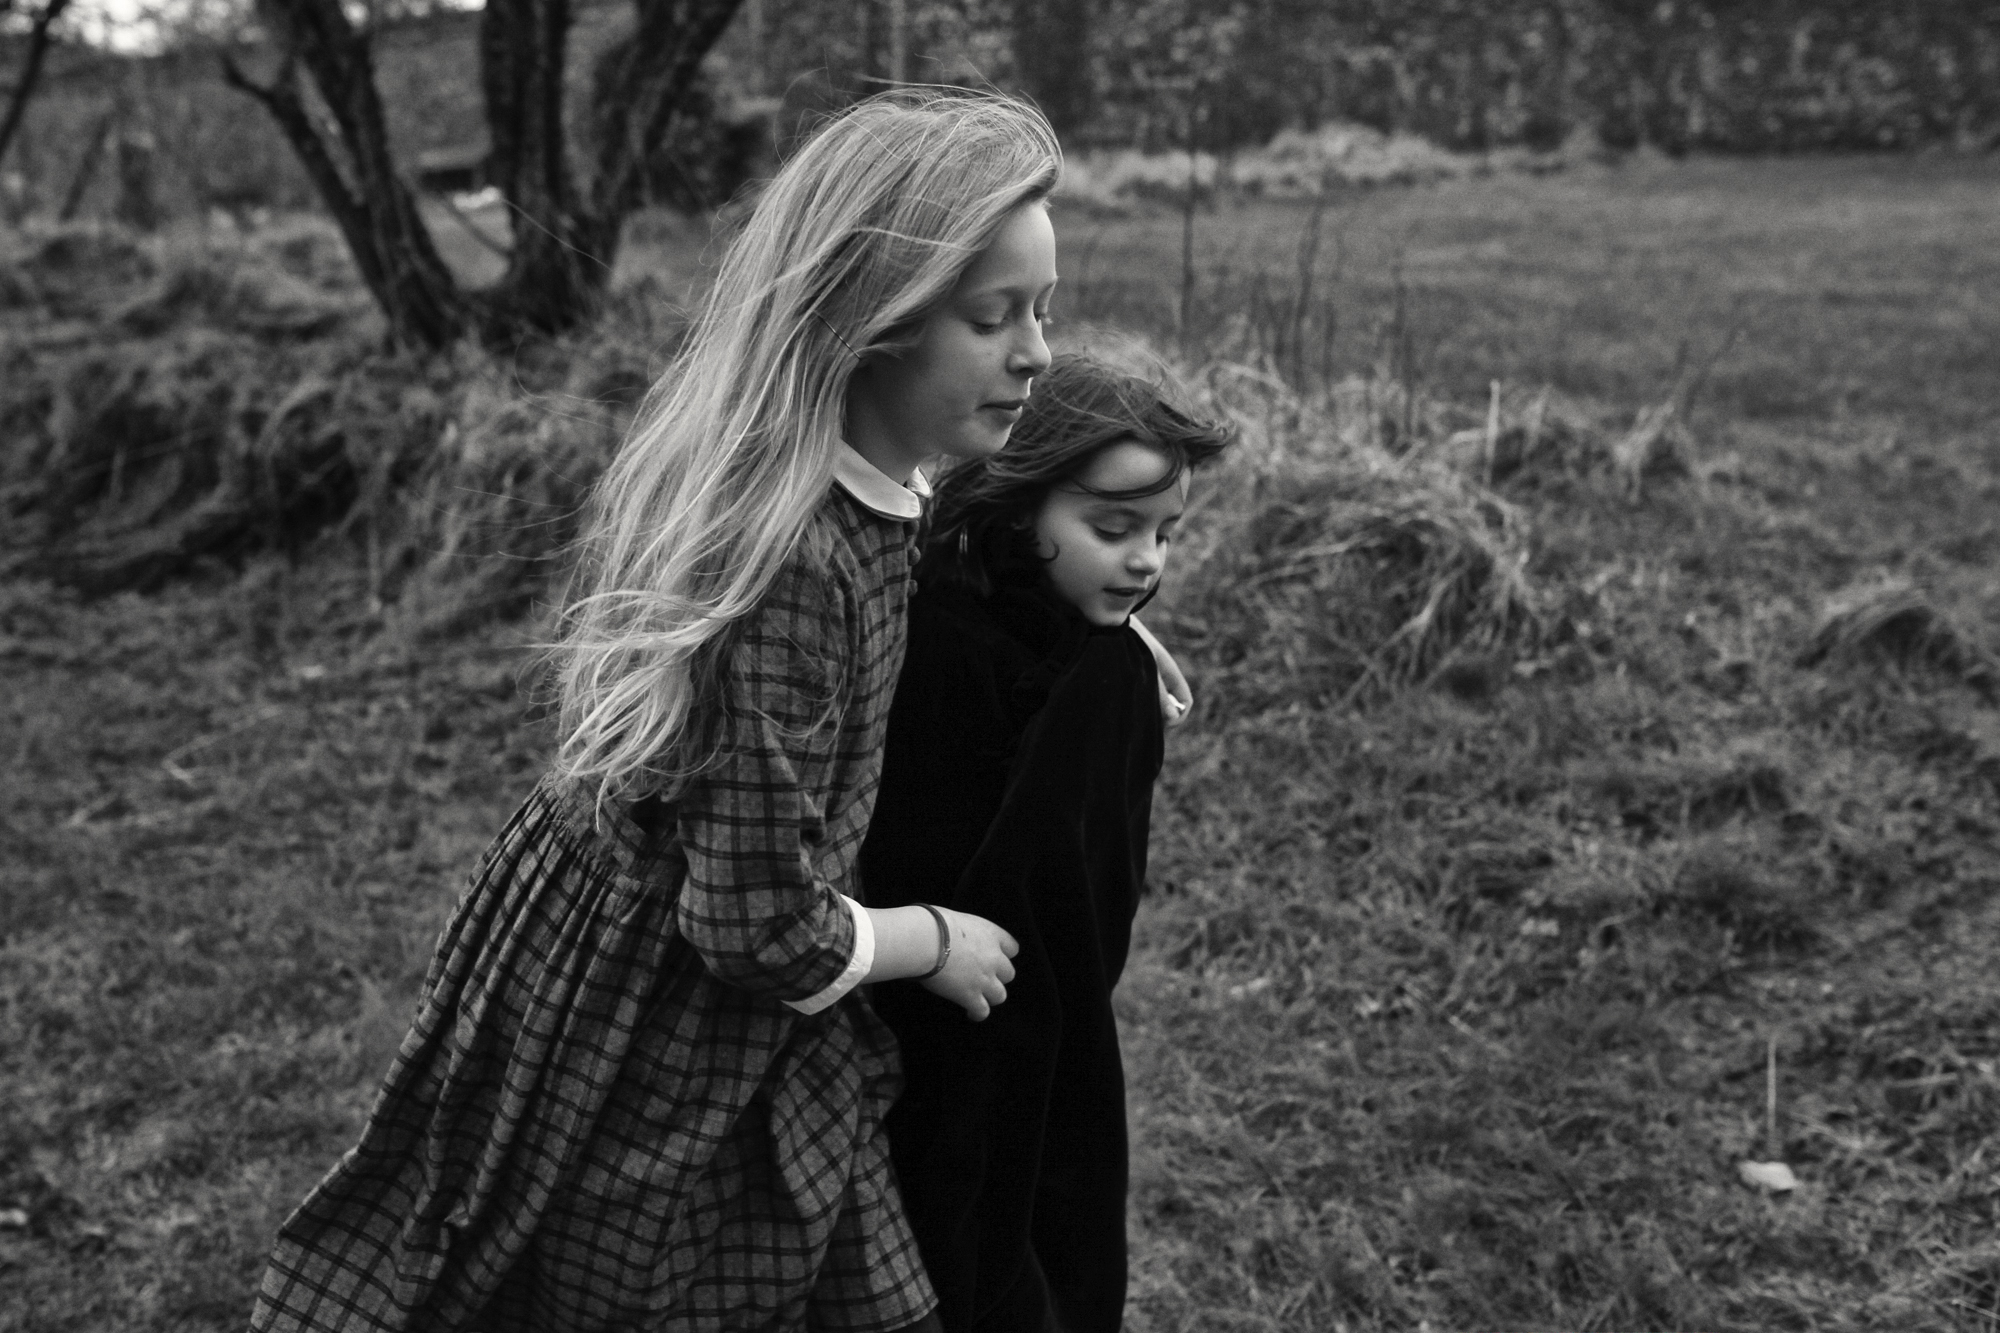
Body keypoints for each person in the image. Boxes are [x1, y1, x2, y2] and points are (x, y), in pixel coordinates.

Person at [249, 89, 1063, 1333]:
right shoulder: (791, 568)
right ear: (867, 321)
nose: (1035, 352)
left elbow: (952, 569)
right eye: (993, 317)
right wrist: (931, 939)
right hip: (656, 1011)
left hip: (712, 966)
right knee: (631, 1289)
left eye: (1042, 310)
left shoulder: (876, 484)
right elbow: (753, 926)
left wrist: (1099, 638)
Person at [859, 353, 1232, 1333]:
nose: (1146, 561)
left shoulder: (1100, 664)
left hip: (1055, 1022)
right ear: (1020, 507)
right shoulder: (944, 639)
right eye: (1112, 529)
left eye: (1162, 533)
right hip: (942, 1015)